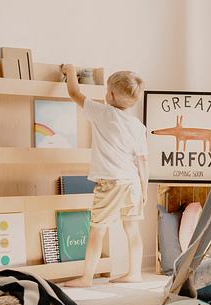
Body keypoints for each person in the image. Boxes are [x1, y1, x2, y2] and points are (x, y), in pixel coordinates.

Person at [61, 65, 149, 287]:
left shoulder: (103, 112)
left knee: (97, 230)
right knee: (132, 229)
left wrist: (70, 71)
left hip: (112, 182)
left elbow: (74, 93)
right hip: (133, 183)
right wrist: (144, 190)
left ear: (109, 95)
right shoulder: (138, 126)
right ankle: (135, 273)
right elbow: (143, 161)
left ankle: (87, 277)